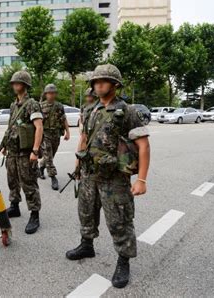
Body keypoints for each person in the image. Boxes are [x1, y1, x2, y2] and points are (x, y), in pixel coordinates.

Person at [66, 64, 151, 289]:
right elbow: (83, 138)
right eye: (96, 81)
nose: (98, 84)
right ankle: (87, 245)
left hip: (114, 178)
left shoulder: (127, 111)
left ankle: (123, 261)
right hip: (89, 174)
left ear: (115, 84)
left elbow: (143, 145)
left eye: (103, 80)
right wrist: (77, 165)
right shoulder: (89, 109)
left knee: (119, 221)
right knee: (86, 212)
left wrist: (141, 180)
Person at [2, 70, 44, 234]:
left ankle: (35, 215)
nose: (14, 85)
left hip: (25, 152)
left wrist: (35, 150)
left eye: (17, 83)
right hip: (12, 151)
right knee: (12, 180)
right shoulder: (14, 105)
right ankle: (14, 206)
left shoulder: (32, 104)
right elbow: (11, 126)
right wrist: (5, 145)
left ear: (25, 85)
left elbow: (39, 127)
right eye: (13, 83)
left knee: (29, 183)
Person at [38, 83, 70, 190]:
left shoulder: (59, 106)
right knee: (49, 156)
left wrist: (67, 132)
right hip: (45, 135)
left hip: (56, 135)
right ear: (46, 94)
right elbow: (37, 122)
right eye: (49, 93)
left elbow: (64, 119)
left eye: (53, 93)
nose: (51, 95)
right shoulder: (41, 106)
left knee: (51, 155)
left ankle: (41, 167)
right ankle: (53, 177)